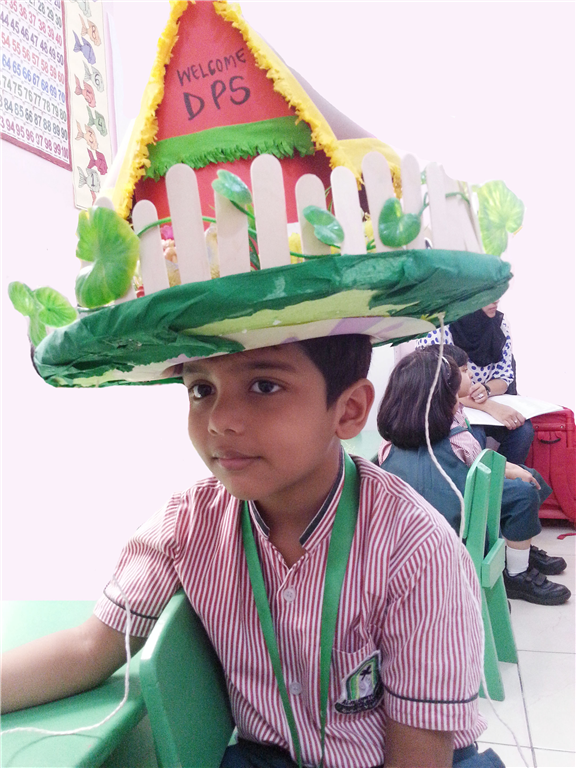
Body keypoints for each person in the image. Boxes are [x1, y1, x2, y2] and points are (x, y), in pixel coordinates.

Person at [2, 335, 502, 768]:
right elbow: (90, 648)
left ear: (348, 410)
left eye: (264, 386)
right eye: (201, 389)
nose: (220, 420)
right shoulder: (186, 524)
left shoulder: (417, 549)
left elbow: (418, 756)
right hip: (267, 756)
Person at [377, 346, 570, 607]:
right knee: (525, 490)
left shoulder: (388, 443)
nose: (469, 378)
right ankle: (516, 572)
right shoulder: (458, 438)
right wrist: (513, 471)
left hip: (423, 526)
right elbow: (482, 468)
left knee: (527, 478)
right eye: (464, 372)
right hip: (462, 516)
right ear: (446, 397)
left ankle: (519, 542)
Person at [416, 302, 534, 465]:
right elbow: (436, 387)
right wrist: (490, 407)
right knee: (473, 434)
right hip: (451, 407)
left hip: (484, 403)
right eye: (487, 296)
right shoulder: (439, 328)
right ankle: (476, 480)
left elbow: (505, 376)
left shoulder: (499, 325)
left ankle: (503, 477)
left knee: (523, 430)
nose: (495, 301)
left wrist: (486, 389)